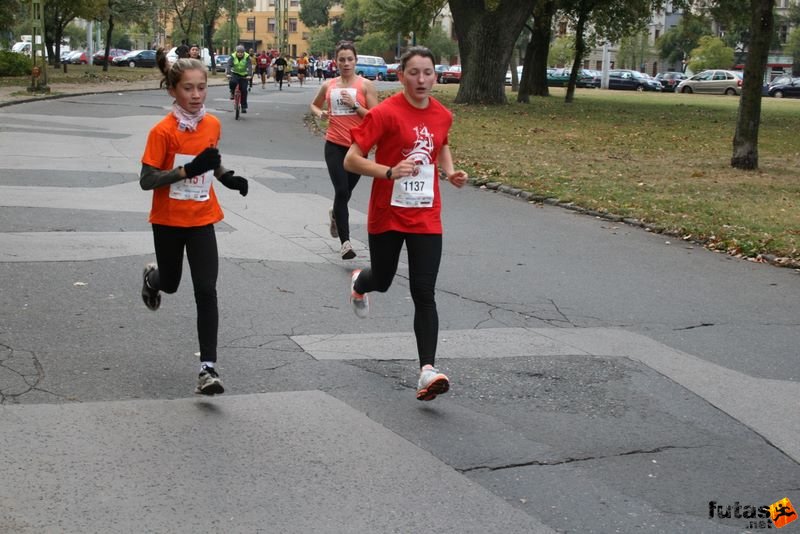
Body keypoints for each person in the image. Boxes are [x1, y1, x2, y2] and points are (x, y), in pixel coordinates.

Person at [343, 46, 468, 401]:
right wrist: (388, 171)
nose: (422, 79)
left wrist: (449, 171)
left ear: (435, 75)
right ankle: (361, 282)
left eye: (428, 72)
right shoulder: (384, 114)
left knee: (423, 292)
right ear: (401, 76)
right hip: (388, 215)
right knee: (382, 279)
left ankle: (427, 371)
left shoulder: (443, 114)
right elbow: (352, 161)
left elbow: (440, 143)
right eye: (414, 72)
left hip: (426, 215)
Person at [139, 49, 249, 395]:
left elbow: (210, 161)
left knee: (206, 289)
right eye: (188, 89)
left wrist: (227, 176)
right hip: (169, 220)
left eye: (201, 88)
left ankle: (208, 369)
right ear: (174, 91)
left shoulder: (212, 124)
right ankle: (152, 278)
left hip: (202, 217)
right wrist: (186, 171)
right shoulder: (162, 132)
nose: (196, 95)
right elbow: (147, 179)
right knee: (171, 283)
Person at [310, 41, 378, 260]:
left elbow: (376, 119)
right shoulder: (328, 85)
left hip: (358, 148)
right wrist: (319, 113)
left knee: (345, 194)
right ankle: (345, 243)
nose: (346, 63)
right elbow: (314, 104)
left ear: (355, 61)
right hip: (334, 145)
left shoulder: (365, 85)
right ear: (335, 62)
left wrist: (355, 106)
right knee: (341, 191)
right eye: (342, 59)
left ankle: (335, 215)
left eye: (350, 59)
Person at [226, 45, 252, 113]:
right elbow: (229, 65)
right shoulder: (233, 56)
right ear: (236, 52)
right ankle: (232, 91)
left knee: (244, 90)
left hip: (244, 75)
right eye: (238, 52)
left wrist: (249, 75)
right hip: (235, 73)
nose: (240, 53)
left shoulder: (247, 57)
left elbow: (249, 66)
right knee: (232, 82)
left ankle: (244, 107)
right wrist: (228, 73)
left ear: (244, 52)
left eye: (241, 52)